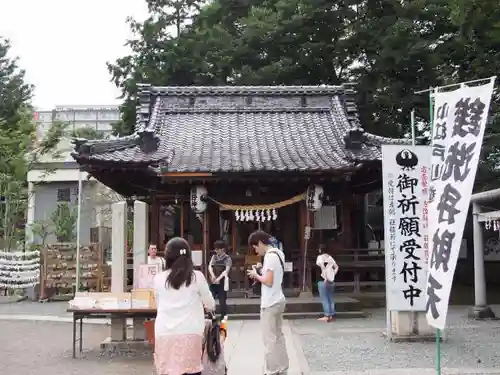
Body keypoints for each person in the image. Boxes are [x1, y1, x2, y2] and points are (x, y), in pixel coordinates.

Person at [153, 237, 216, 375]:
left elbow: (158, 304)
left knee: (167, 371)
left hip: (164, 332)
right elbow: (210, 304)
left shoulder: (158, 279)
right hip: (191, 331)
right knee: (191, 371)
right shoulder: (197, 277)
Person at [247, 230, 288, 375]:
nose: (255, 250)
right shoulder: (279, 253)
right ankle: (283, 368)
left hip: (270, 302)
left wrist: (256, 275)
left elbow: (268, 281)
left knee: (269, 340)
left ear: (260, 243)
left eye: (255, 247)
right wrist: (260, 271)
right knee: (279, 337)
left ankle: (272, 370)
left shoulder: (270, 257)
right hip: (279, 299)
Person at [208, 240, 232, 319]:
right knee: (210, 299)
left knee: (222, 301)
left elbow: (226, 270)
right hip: (213, 281)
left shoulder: (227, 258)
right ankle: (211, 316)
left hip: (222, 282)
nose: (216, 251)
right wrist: (213, 275)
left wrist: (218, 278)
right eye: (215, 249)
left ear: (222, 249)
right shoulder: (214, 257)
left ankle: (223, 318)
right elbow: (210, 267)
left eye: (217, 249)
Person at [316, 245, 339, 322]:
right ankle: (331, 315)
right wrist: (332, 275)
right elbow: (336, 267)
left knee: (324, 298)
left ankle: (327, 315)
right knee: (330, 298)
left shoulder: (320, 257)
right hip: (331, 280)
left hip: (323, 280)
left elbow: (322, 267)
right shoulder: (330, 257)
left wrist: (325, 278)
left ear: (320, 250)